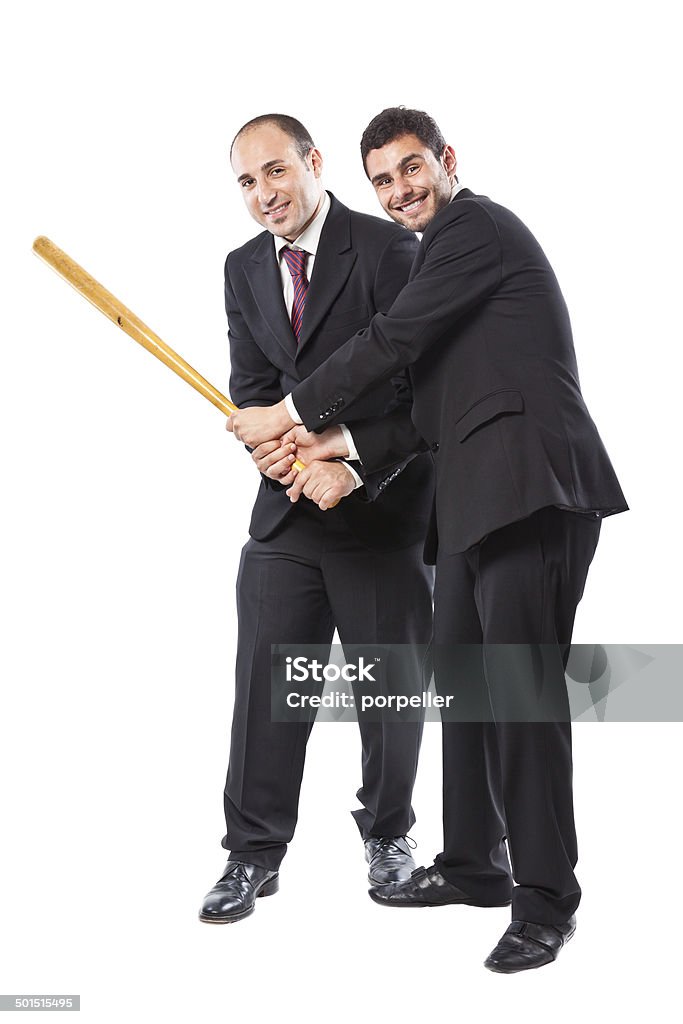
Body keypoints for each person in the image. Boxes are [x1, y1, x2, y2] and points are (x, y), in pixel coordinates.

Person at [227, 107, 628, 970]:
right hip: (471, 505)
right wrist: (331, 447)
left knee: (517, 699)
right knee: (465, 692)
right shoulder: (444, 257)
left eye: (411, 169)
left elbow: (390, 340)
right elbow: (421, 402)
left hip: (534, 491)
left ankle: (545, 901)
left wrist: (290, 413)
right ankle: (476, 866)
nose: (399, 190)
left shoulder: (470, 231)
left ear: (446, 161)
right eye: (383, 180)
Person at [200, 114, 435, 924]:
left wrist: (349, 462)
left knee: (389, 693)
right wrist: (269, 455)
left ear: (313, 163)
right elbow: (252, 389)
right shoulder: (241, 270)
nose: (263, 194)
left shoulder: (385, 251)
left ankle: (389, 835)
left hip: (383, 512)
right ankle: (250, 854)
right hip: (286, 522)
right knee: (268, 689)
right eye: (245, 181)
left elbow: (419, 393)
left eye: (275, 172)